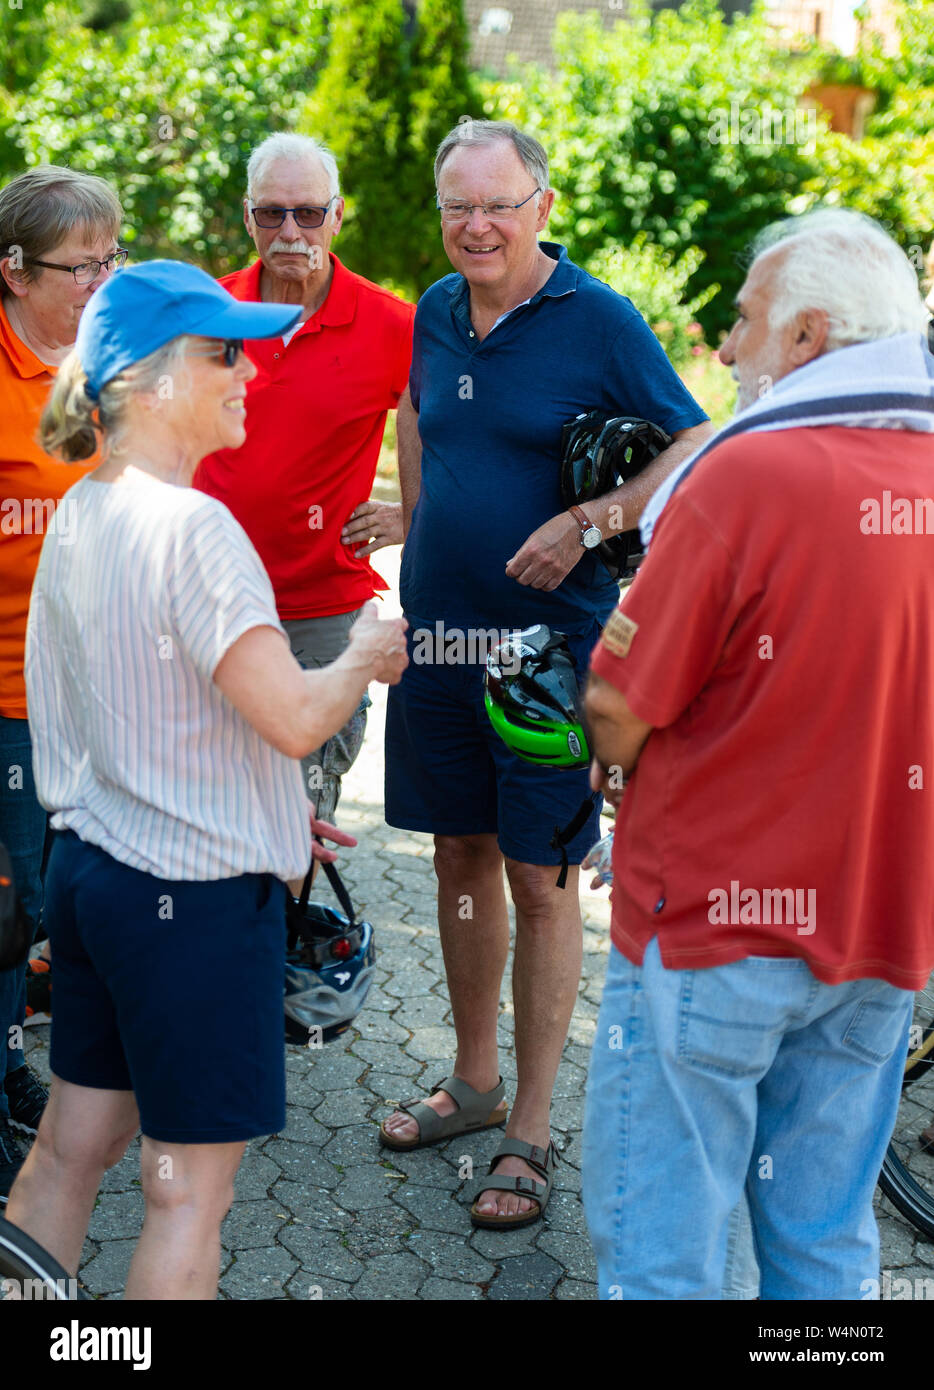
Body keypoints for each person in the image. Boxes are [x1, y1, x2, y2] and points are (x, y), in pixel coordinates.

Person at [5, 260, 408, 1298]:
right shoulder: (197, 530)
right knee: (189, 1193)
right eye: (221, 351)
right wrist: (366, 653)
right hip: (191, 905)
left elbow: (129, 715)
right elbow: (294, 716)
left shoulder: (85, 511)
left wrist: (265, 805)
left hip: (96, 880)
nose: (248, 370)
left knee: (65, 1152)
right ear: (145, 381)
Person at [581, 208, 934, 1299]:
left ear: (809, 335)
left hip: (710, 934)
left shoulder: (747, 477)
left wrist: (614, 759)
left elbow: (613, 700)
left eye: (743, 322)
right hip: (883, 930)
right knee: (825, 1240)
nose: (725, 349)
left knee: (665, 1259)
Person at [379, 119, 712, 1227]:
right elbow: (421, 427)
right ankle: (472, 1082)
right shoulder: (433, 308)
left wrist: (593, 516)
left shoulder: (599, 319)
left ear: (542, 208)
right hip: (440, 642)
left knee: (541, 877)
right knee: (458, 853)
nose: (476, 226)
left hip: (544, 655)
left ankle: (529, 1125)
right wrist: (417, 538)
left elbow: (697, 443)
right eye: (458, 206)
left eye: (498, 205)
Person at [194, 132, 414, 827]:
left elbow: (456, 431)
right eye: (272, 213)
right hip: (208, 601)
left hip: (323, 611)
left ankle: (288, 934)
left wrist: (416, 513)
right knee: (204, 803)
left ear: (338, 215)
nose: (290, 231)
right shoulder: (207, 312)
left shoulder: (390, 324)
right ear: (249, 216)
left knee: (297, 817)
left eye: (309, 213)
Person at [0, 165, 125, 1196]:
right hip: (4, 695)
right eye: (77, 265)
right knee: (7, 901)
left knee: (49, 907)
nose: (97, 281)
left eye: (107, 260)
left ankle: (7, 1071)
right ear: (14, 270)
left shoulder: (103, 367)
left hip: (91, 691)